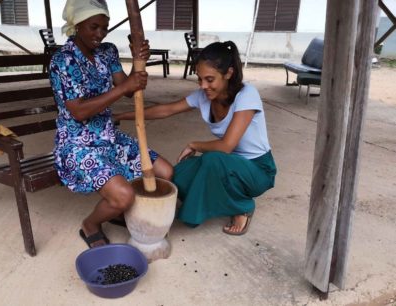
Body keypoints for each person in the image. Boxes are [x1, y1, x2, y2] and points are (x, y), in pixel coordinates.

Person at [114, 41, 276, 235]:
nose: (203, 86)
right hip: (228, 164)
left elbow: (226, 146)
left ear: (229, 73)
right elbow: (166, 109)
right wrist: (121, 116)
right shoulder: (204, 96)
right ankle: (209, 198)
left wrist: (194, 144)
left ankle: (242, 206)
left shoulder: (247, 95)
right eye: (200, 79)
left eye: (209, 79)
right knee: (177, 175)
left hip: (257, 170)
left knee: (213, 159)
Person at [49, 0, 173, 248]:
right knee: (124, 195)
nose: (100, 34)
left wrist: (139, 63)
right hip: (77, 144)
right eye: (94, 27)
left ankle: (119, 209)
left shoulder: (108, 51)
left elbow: (127, 88)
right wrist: (126, 87)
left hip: (109, 137)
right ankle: (91, 224)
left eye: (104, 27)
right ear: (77, 25)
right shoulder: (63, 60)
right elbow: (78, 112)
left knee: (165, 173)